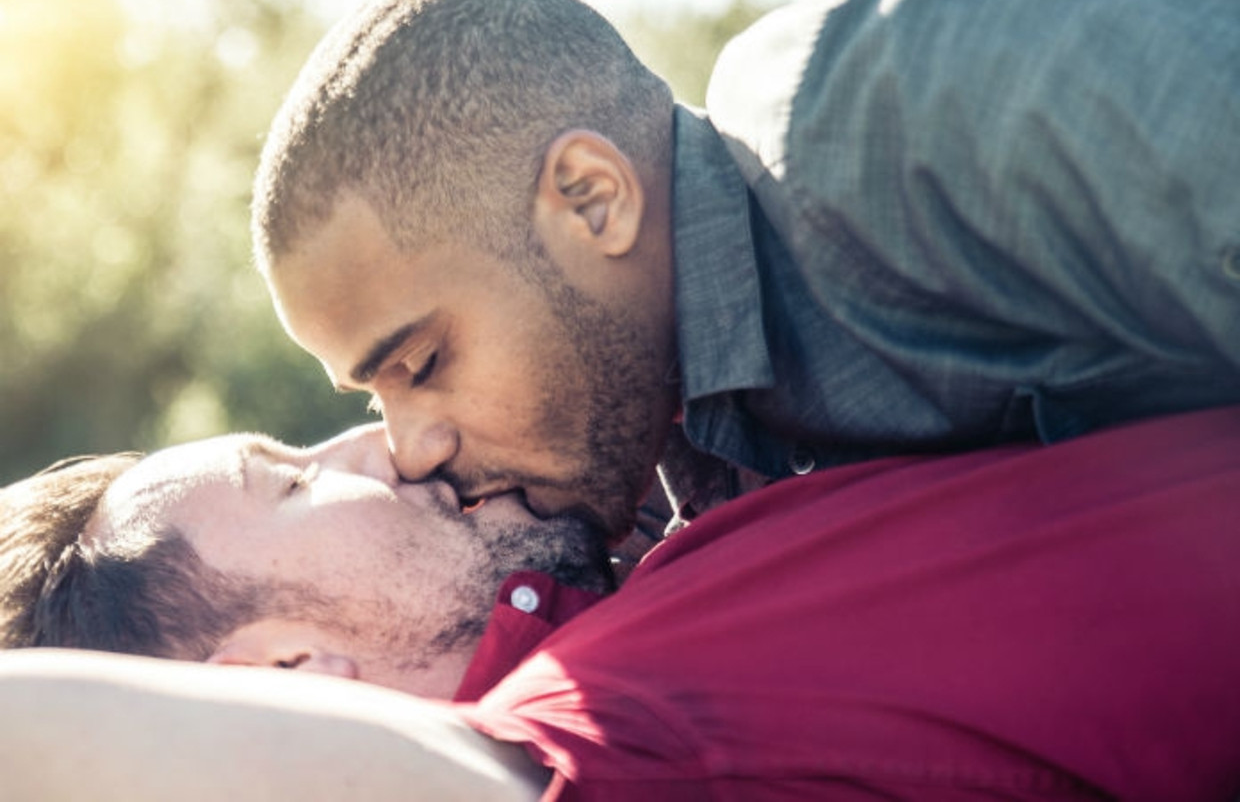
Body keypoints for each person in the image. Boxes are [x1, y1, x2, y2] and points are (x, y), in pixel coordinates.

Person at [251, 0, 1240, 541]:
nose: (411, 446)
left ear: (592, 200)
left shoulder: (886, 114)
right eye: (374, 395)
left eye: (420, 364)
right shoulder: (649, 445)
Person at [4, 406, 1240, 799]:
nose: (381, 435)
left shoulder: (641, 598)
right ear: (286, 680)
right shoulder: (583, 740)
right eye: (285, 479)